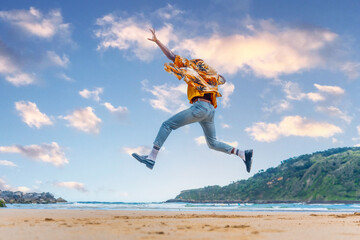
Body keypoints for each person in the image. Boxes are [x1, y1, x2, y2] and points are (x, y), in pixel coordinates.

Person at [132, 29, 253, 172]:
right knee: (212, 143)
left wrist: (157, 41)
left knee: (167, 125)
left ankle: (151, 158)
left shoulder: (192, 67)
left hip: (200, 107)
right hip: (210, 112)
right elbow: (223, 80)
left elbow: (172, 56)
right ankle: (242, 154)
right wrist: (212, 73)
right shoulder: (212, 76)